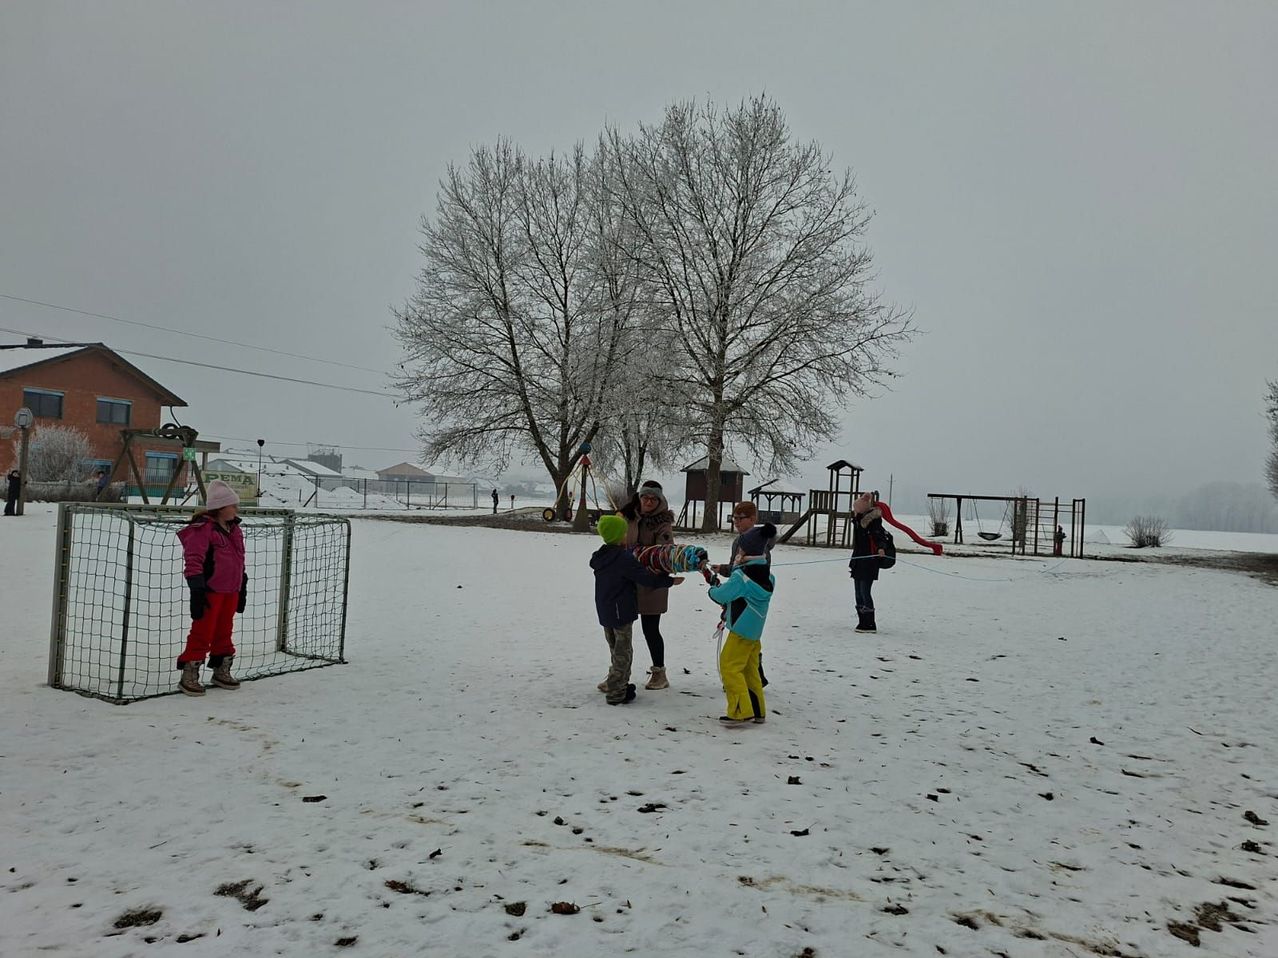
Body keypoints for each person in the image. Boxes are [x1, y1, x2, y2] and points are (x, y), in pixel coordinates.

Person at [591, 514, 678, 705]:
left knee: (615, 650)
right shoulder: (623, 559)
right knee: (623, 653)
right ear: (620, 535)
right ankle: (617, 692)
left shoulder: (600, 556)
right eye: (624, 532)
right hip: (621, 612)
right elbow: (645, 578)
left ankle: (616, 682)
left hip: (605, 611)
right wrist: (669, 581)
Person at [175, 480, 247, 696]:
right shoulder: (203, 530)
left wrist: (242, 584)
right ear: (220, 508)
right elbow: (194, 560)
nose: (236, 509)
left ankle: (221, 668)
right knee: (202, 631)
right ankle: (190, 671)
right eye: (232, 505)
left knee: (225, 630)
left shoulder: (234, 530)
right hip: (210, 591)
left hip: (231, 591)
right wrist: (197, 589)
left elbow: (239, 559)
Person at [709, 522, 776, 726]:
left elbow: (723, 594)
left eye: (740, 548)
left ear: (744, 551)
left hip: (741, 632)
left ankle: (740, 711)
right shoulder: (768, 576)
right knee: (749, 670)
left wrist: (712, 590)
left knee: (729, 666)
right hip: (754, 634)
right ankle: (757, 710)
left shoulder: (742, 577)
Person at [619, 479, 676, 690]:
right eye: (645, 497)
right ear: (640, 497)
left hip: (652, 583)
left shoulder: (662, 522)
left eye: (653, 498)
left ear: (659, 500)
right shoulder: (629, 516)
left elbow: (666, 551)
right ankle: (619, 672)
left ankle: (659, 672)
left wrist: (640, 552)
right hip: (628, 581)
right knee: (621, 629)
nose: (649, 501)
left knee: (650, 629)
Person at [850, 492, 887, 633]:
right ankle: (862, 621)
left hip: (869, 561)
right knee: (858, 592)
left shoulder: (873, 521)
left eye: (857, 508)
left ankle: (870, 623)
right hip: (857, 561)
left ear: (863, 508)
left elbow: (879, 535)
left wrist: (881, 548)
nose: (855, 510)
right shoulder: (858, 520)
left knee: (865, 592)